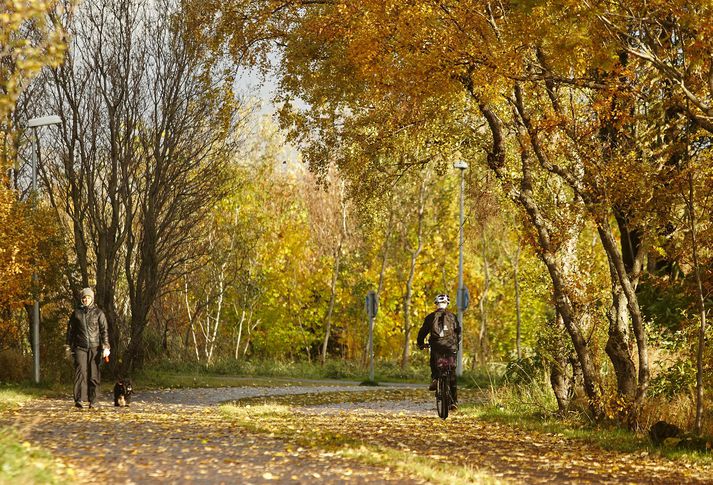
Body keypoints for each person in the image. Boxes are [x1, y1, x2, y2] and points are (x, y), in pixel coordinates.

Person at [65, 287, 110, 408]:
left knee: (93, 373)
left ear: (92, 299)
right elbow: (70, 331)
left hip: (95, 347)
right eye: (84, 297)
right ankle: (78, 399)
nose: (85, 299)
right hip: (80, 347)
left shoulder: (98, 313)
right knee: (81, 372)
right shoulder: (76, 313)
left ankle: (93, 400)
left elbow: (104, 331)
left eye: (88, 297)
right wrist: (68, 347)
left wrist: (106, 347)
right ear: (81, 299)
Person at [417, 294, 461, 408]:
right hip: (451, 347)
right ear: (447, 304)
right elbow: (458, 333)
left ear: (436, 304)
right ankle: (454, 402)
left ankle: (435, 378)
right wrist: (456, 344)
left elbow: (422, 332)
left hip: (436, 346)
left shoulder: (431, 317)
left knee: (434, 362)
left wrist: (421, 344)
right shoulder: (452, 317)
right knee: (451, 373)